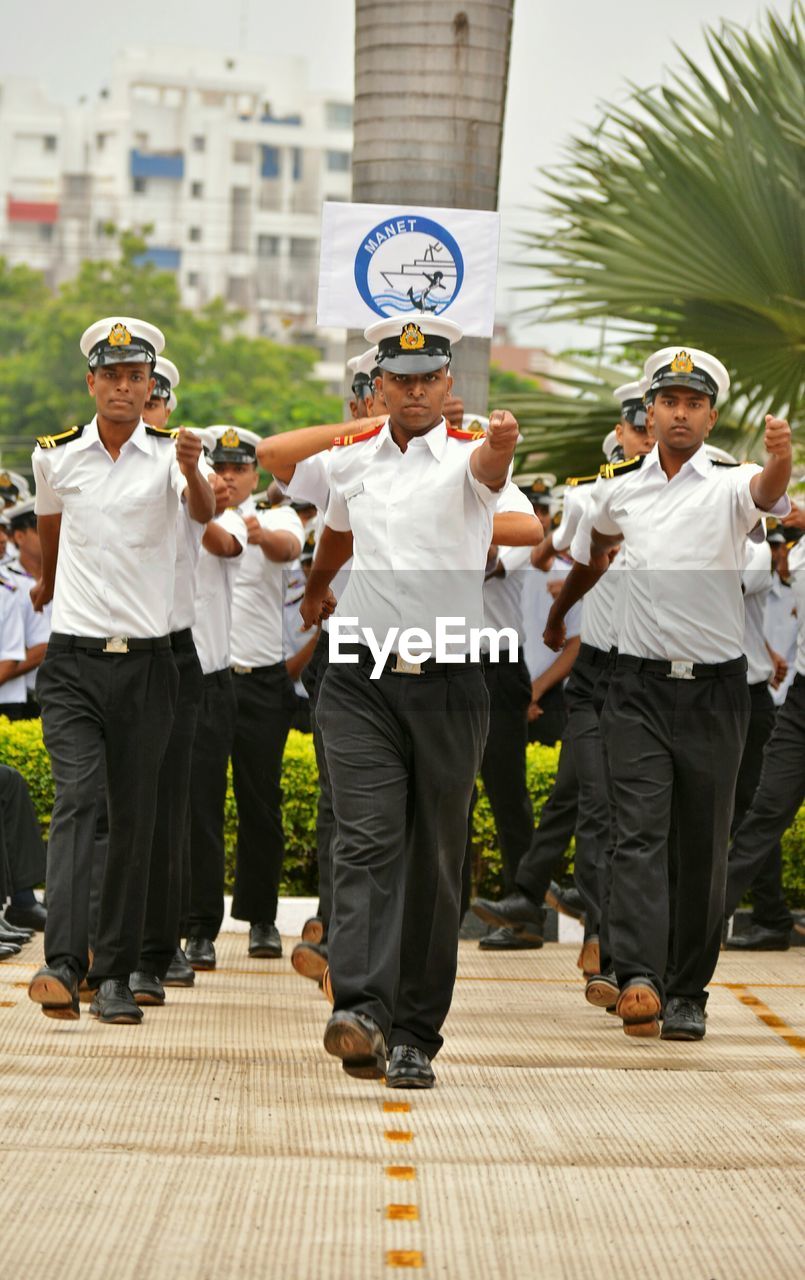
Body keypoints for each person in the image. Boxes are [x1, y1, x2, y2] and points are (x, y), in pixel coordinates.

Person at [543, 346, 791, 1040]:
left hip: (714, 693)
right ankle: (641, 977)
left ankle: (687, 990)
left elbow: (769, 495)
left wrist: (779, 454)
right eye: (668, 402)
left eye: (692, 404)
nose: (679, 414)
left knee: (700, 846)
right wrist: (563, 609)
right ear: (648, 413)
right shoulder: (616, 486)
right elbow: (590, 551)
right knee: (638, 835)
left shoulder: (731, 483)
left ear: (710, 417)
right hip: (636, 687)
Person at [301, 315, 519, 1088]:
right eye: (402, 378)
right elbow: (334, 531)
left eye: (430, 378)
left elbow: (493, 476)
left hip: (451, 684)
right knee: (364, 842)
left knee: (432, 856)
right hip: (359, 681)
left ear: (446, 386)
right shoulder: (349, 461)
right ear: (380, 386)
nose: (417, 389)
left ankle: (414, 1034)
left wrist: (499, 441)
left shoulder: (468, 458)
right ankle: (359, 1009)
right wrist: (320, 586)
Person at [26, 315, 214, 1025]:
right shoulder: (57, 456)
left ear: (149, 386)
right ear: (92, 382)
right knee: (77, 801)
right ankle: (61, 962)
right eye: (112, 375)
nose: (124, 387)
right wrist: (48, 584)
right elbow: (51, 525)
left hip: (147, 662)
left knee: (134, 820)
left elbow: (201, 513)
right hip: (74, 658)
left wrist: (195, 469)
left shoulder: (172, 454)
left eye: (137, 377)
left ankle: (113, 974)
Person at [473, 383, 655, 975]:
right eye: (635, 429)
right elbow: (560, 555)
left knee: (603, 806)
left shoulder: (687, 500)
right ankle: (554, 906)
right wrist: (556, 604)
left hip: (649, 668)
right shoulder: (597, 498)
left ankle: (587, 922)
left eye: (645, 429)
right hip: (600, 667)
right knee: (579, 799)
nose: (641, 439)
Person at [185, 427, 303, 967]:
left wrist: (255, 533)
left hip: (261, 681)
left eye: (239, 469)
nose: (229, 476)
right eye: (222, 468)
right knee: (200, 804)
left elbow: (288, 547)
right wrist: (204, 507)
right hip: (210, 679)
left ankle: (261, 920)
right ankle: (200, 927)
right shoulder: (196, 514)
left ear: (256, 474)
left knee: (261, 804)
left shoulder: (274, 516)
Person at [723, 514, 804, 944]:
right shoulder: (798, 550)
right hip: (795, 700)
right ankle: (710, 918)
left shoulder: (762, 550)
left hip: (750, 698)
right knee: (762, 811)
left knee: (754, 810)